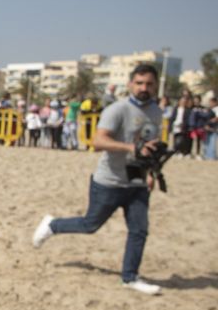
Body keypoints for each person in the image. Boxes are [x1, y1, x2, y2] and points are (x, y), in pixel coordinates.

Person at [32, 64, 165, 295]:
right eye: (140, 83)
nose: (144, 88)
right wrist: (131, 147)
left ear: (155, 85)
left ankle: (130, 277)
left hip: (137, 181)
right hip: (109, 180)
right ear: (131, 84)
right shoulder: (117, 110)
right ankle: (53, 225)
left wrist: (151, 173)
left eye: (149, 84)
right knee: (90, 225)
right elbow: (98, 142)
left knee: (139, 230)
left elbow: (150, 146)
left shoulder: (156, 111)